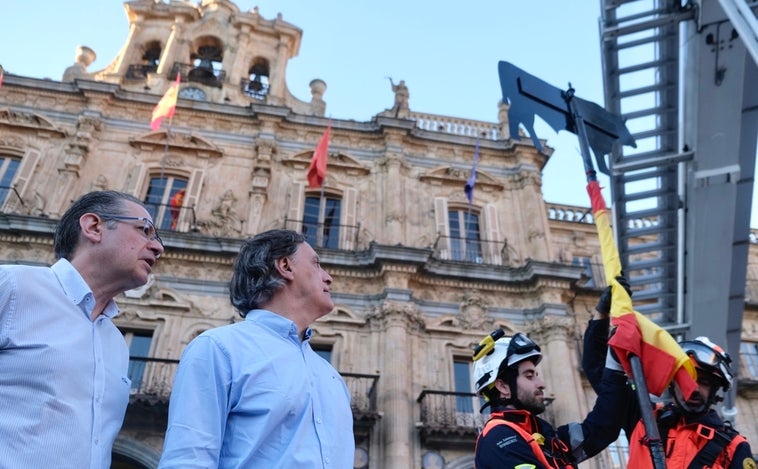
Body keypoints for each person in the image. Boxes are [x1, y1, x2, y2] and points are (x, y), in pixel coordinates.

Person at [158, 229, 354, 468]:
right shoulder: (219, 349)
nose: (328, 277)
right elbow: (187, 460)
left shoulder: (331, 376)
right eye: (316, 264)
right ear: (285, 266)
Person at [0, 190, 164, 469]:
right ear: (94, 227)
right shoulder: (13, 287)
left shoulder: (114, 341)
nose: (159, 248)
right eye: (145, 230)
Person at [583, 286, 755, 469]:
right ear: (673, 382)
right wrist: (601, 314)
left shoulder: (733, 447)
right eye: (687, 379)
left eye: (704, 382)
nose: (694, 389)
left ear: (716, 391)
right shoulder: (643, 417)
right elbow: (599, 371)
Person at [472, 318, 632, 468]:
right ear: (503, 387)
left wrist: (614, 365)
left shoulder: (542, 434)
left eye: (536, 375)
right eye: (529, 376)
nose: (541, 384)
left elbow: (601, 428)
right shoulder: (498, 437)